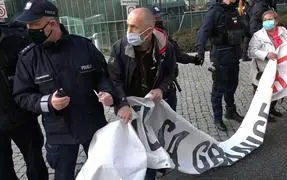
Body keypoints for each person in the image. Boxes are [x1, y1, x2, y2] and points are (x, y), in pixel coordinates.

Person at [12, 0, 116, 179]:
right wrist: (48, 102)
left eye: (34, 24)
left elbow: (103, 75)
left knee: (103, 173)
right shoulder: (28, 58)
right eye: (28, 25)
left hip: (92, 126)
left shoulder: (83, 46)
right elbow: (22, 95)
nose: (29, 29)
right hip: (58, 134)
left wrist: (107, 91)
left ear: (52, 23)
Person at [107, 8, 176, 180]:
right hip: (132, 108)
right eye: (127, 26)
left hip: (157, 104)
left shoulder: (166, 46)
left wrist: (161, 88)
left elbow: (171, 72)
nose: (128, 32)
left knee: (158, 139)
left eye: (133, 27)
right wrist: (122, 104)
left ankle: (159, 164)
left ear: (148, 30)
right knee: (139, 146)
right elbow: (114, 80)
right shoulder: (120, 47)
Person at [0, 14, 48, 180]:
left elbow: (38, 71)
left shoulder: (17, 38)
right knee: (1, 172)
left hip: (23, 116)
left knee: (35, 166)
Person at [196, 0, 244, 131]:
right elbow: (203, 31)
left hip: (234, 56)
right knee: (218, 90)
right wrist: (200, 50)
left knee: (232, 86)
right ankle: (217, 118)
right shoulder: (214, 12)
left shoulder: (235, 11)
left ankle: (230, 112)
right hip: (220, 57)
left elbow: (244, 29)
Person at [148, 6, 201, 111]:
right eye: (157, 18)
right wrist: (194, 59)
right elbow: (179, 56)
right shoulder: (158, 38)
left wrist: (193, 59)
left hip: (163, 85)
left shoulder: (162, 35)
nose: (161, 20)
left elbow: (177, 54)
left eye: (160, 17)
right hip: (161, 88)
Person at [248, 10, 287, 121]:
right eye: (265, 20)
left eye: (270, 19)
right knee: (264, 94)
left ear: (276, 21)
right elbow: (251, 51)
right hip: (263, 70)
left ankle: (271, 109)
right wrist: (266, 54)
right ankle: (263, 115)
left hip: (280, 69)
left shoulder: (282, 31)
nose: (267, 22)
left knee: (277, 91)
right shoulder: (258, 35)